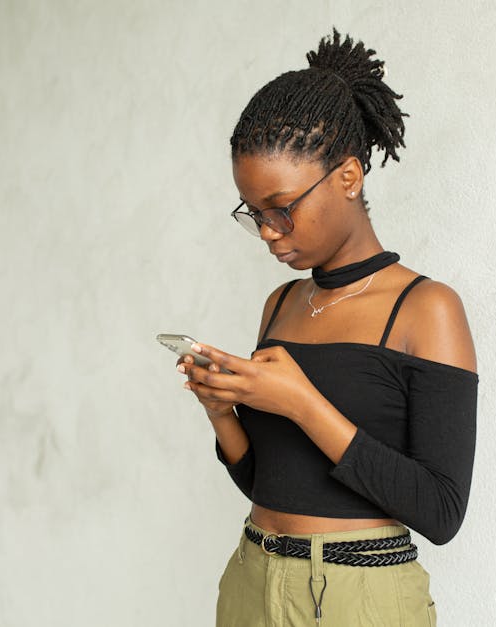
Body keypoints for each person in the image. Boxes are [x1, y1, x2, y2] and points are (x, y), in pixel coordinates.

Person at [176, 29, 478, 627]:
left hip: (358, 595)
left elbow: (442, 512)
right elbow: (271, 483)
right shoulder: (280, 304)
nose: (268, 231)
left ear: (348, 176)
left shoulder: (426, 309)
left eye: (281, 208)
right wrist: (222, 412)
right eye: (254, 214)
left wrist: (301, 403)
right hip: (252, 577)